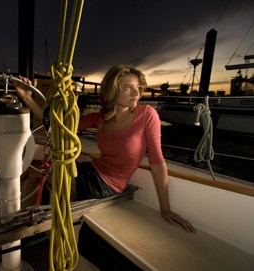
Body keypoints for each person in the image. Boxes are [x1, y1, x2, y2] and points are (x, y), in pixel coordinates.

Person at [14, 64, 196, 233]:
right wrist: (26, 97)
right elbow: (57, 125)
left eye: (138, 87)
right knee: (36, 166)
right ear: (112, 90)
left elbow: (157, 160)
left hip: (105, 185)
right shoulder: (100, 118)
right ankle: (26, 218)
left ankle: (22, 228)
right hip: (92, 170)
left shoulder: (147, 114)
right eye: (128, 87)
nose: (136, 92)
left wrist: (166, 209)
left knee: (37, 172)